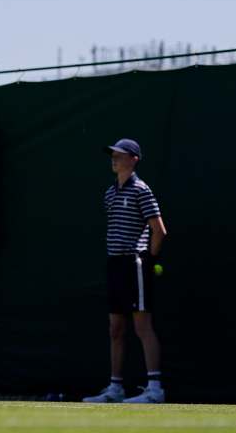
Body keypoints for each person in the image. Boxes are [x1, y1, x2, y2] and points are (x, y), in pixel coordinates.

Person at [82, 139, 167, 404]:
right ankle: (115, 388)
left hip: (136, 263)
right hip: (115, 264)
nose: (114, 158)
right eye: (113, 155)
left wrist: (149, 258)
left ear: (134, 159)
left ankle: (155, 390)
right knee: (115, 328)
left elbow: (159, 230)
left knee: (142, 326)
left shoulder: (142, 190)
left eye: (120, 155)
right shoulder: (110, 193)